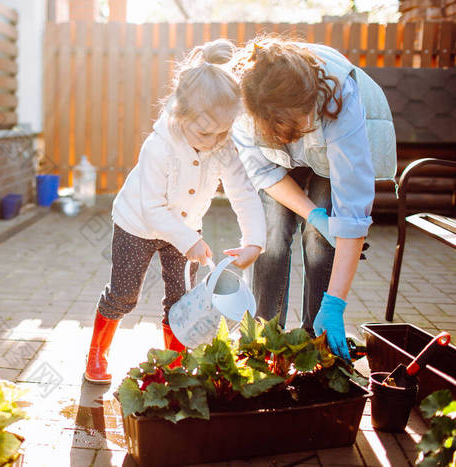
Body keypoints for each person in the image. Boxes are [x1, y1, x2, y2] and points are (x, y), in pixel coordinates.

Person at [84, 39, 267, 384]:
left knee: (181, 299)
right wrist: (189, 241)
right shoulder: (158, 146)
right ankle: (97, 351)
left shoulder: (222, 144)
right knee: (124, 295)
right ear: (180, 114)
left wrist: (254, 241)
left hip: (186, 228)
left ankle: (174, 363)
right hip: (137, 225)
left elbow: (243, 191)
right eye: (205, 132)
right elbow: (152, 208)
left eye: (223, 132)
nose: (214, 141)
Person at [230, 37, 396, 361]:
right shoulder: (243, 106)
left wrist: (336, 303)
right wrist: (312, 213)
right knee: (273, 235)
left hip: (331, 153)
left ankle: (316, 341)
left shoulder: (339, 99)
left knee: (321, 240)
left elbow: (352, 213)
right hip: (277, 161)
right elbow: (265, 174)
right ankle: (263, 341)